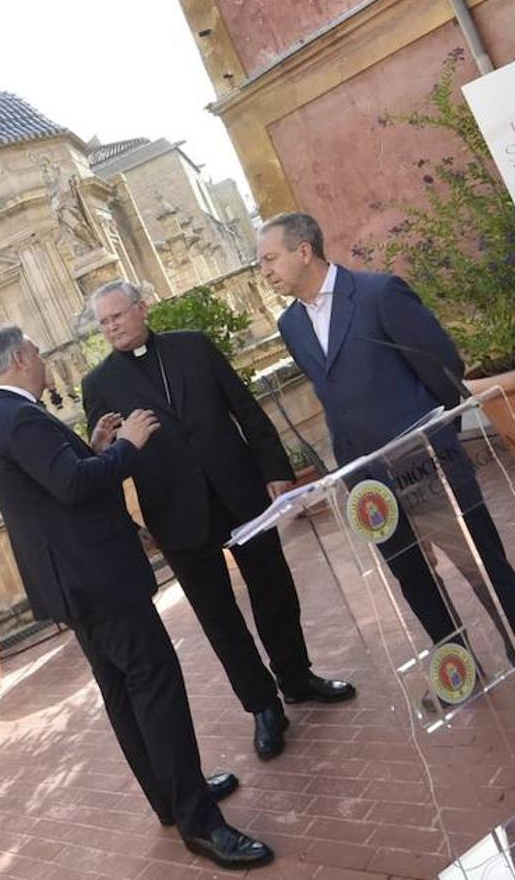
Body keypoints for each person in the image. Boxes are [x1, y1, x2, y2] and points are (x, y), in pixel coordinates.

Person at [0, 324, 273, 869]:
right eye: (37, 352)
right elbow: (75, 487)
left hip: (78, 583)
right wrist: (131, 446)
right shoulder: (16, 415)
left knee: (123, 694)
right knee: (155, 685)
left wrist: (96, 450)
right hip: (100, 579)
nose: (43, 361)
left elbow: (59, 482)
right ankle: (200, 820)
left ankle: (170, 796)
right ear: (18, 358)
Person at [257, 212, 515, 714]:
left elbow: (444, 369)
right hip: (367, 483)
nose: (264, 271)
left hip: (426, 464)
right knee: (414, 580)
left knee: (481, 567)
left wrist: (437, 439)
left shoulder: (380, 294)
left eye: (269, 259)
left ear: (304, 251)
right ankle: (459, 671)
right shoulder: (290, 324)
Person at [82, 281, 355, 761]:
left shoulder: (193, 345)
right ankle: (262, 707)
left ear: (142, 309)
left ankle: (296, 677)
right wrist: (102, 448)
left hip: (240, 490)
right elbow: (106, 459)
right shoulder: (99, 384)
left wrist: (274, 469)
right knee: (219, 617)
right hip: (175, 512)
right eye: (103, 322)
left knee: (275, 589)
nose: (112, 327)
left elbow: (244, 407)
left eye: (118, 316)